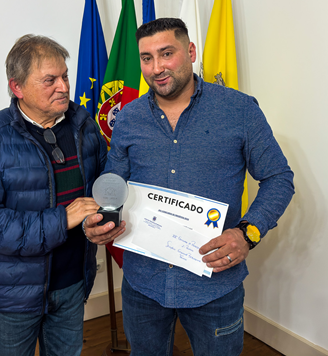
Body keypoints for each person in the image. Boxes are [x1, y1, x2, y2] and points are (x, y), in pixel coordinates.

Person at [83, 18, 294, 356]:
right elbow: (115, 183)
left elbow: (279, 178)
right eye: (147, 58)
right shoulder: (129, 117)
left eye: (167, 53)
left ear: (191, 51)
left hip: (214, 283)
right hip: (143, 283)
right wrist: (100, 220)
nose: (156, 68)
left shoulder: (239, 110)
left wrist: (247, 233)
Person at [0, 35, 107, 356]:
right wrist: (62, 219)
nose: (64, 87)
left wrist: (103, 221)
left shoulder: (84, 124)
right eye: (50, 80)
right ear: (17, 87)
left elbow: (103, 188)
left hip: (74, 283)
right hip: (14, 293)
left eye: (65, 76)